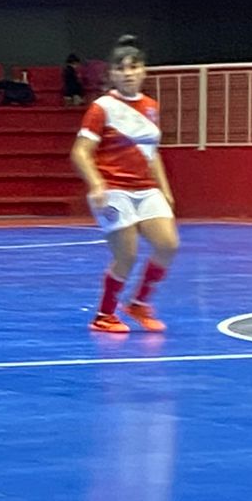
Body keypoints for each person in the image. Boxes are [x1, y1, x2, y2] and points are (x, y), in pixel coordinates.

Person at [70, 34, 178, 335]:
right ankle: (104, 315)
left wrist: (165, 190)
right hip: (113, 188)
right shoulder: (101, 108)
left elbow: (151, 153)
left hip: (146, 188)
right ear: (113, 74)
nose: (128, 73)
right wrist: (96, 184)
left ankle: (139, 303)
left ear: (144, 71)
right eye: (121, 68)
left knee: (168, 245)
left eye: (134, 67)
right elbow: (80, 152)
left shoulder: (150, 106)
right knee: (126, 255)